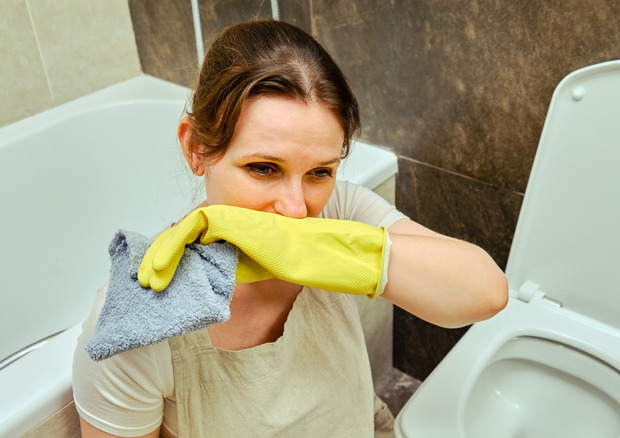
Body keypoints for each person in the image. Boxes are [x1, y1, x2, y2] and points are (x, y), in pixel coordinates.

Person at [73, 19, 507, 438]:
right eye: (263, 168)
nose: (297, 210)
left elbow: (485, 293)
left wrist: (311, 250)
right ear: (195, 148)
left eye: (320, 171)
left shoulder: (339, 209)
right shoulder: (135, 320)